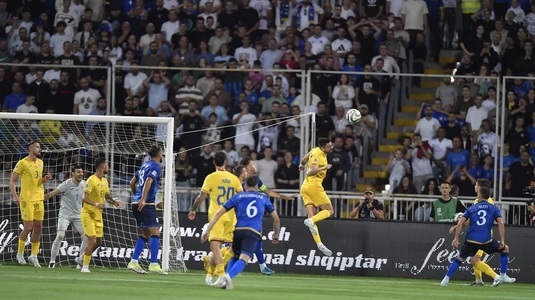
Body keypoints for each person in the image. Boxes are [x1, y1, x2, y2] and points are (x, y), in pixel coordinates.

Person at [201, 176, 281, 289]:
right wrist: (276, 234)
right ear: (257, 187)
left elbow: (219, 212)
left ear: (245, 185)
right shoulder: (263, 198)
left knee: (234, 254)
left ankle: (225, 281)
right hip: (253, 232)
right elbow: (276, 219)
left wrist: (208, 229)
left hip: (238, 231)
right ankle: (228, 276)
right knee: (244, 258)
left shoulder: (238, 196)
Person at [440, 187, 514, 287]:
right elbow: (500, 222)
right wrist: (502, 240)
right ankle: (502, 275)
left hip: (470, 240)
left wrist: (456, 238)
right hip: (486, 240)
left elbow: (461, 221)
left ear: (479, 195)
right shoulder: (493, 208)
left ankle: (445, 280)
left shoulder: (472, 208)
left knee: (460, 258)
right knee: (505, 249)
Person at [188, 152, 243, 285]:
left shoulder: (211, 177)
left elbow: (201, 197)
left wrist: (193, 209)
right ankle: (217, 273)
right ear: (226, 162)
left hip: (216, 216)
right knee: (232, 248)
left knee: (215, 246)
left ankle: (219, 273)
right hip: (231, 217)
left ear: (214, 162)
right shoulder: (234, 178)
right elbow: (241, 198)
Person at [239, 157, 295, 275]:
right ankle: (218, 260)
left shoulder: (256, 181)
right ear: (247, 168)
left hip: (251, 217)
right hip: (238, 216)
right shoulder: (238, 180)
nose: (255, 165)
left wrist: (284, 197)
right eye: (253, 164)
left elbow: (268, 192)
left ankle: (263, 266)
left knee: (257, 238)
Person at [10, 141, 53, 267]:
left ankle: (33, 256)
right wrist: (15, 195)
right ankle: (19, 253)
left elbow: (37, 182)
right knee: (28, 227)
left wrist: (44, 180)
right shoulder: (22, 162)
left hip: (39, 198)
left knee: (38, 227)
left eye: (40, 147)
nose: (40, 149)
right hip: (27, 199)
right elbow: (12, 180)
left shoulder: (40, 163)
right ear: (30, 148)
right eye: (38, 147)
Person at [127, 145, 167, 275]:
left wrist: (137, 197)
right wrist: (143, 199)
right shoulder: (156, 166)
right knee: (155, 232)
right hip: (146, 204)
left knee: (144, 233)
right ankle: (154, 264)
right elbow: (149, 181)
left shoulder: (144, 166)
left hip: (136, 202)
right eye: (162, 152)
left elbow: (132, 183)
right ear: (159, 154)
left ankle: (133, 261)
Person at [79, 157, 120, 273]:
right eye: (107, 165)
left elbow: (106, 196)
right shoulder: (91, 180)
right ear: (102, 166)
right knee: (92, 240)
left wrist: (113, 202)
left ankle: (82, 257)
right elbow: (84, 198)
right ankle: (85, 267)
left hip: (98, 215)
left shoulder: (105, 181)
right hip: (88, 214)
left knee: (98, 242)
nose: (108, 167)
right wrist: (95, 203)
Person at [44, 165, 87, 269]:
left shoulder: (84, 184)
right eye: (78, 172)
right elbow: (51, 194)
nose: (80, 174)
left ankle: (80, 262)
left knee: (86, 237)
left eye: (81, 172)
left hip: (78, 215)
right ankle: (52, 262)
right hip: (65, 214)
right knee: (60, 236)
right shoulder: (66, 184)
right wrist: (40, 198)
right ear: (72, 173)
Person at [299, 137, 335, 256]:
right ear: (323, 147)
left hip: (305, 187)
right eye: (329, 146)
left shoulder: (314, 150)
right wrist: (323, 167)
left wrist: (301, 165)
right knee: (329, 210)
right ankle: (310, 220)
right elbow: (310, 172)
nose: (331, 147)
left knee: (313, 219)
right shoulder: (318, 155)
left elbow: (304, 159)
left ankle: (319, 243)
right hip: (314, 186)